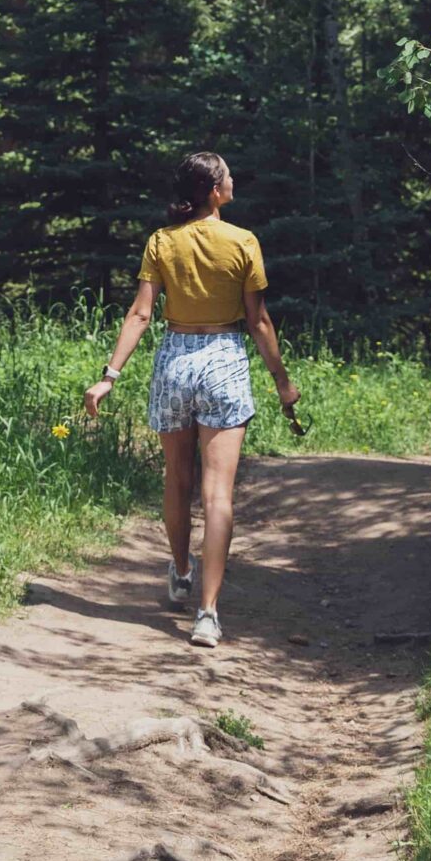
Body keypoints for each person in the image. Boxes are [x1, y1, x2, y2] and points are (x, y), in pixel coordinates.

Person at [83, 149, 299, 648]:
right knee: (218, 494)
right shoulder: (243, 242)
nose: (232, 178)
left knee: (176, 479)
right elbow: (259, 321)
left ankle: (180, 572)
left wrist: (110, 376)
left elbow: (140, 315)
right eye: (227, 174)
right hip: (224, 357)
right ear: (213, 191)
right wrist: (282, 383)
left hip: (175, 358)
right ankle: (207, 613)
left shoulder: (162, 242)